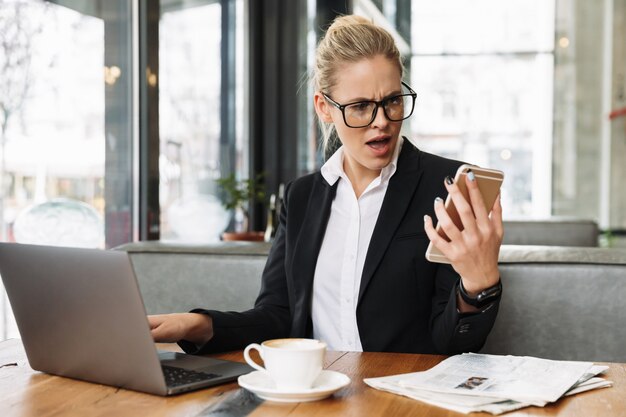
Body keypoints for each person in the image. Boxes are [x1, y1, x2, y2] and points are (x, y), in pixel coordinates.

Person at [149, 15, 503, 355]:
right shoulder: (300, 197)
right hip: (319, 393)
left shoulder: (447, 188)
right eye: (361, 106)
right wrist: (195, 325)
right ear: (324, 107)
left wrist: (478, 286)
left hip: (402, 398)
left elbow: (453, 346)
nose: (382, 122)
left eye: (393, 101)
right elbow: (279, 316)